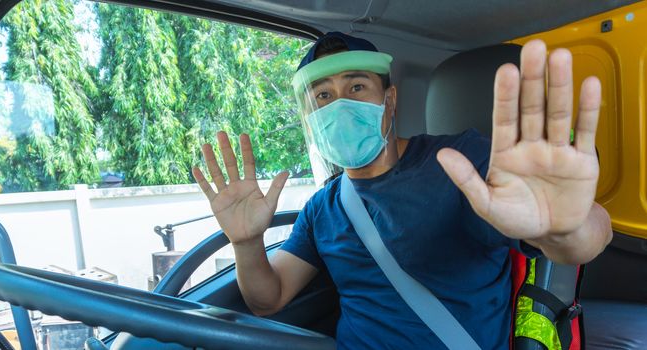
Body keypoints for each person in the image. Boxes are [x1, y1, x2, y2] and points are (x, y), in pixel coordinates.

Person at [192, 32, 612, 349]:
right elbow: (269, 300)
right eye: (323, 96)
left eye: (356, 87)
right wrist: (246, 243)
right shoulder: (323, 207)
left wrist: (565, 229)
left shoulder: (460, 159)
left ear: (389, 100)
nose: (340, 104)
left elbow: (585, 240)